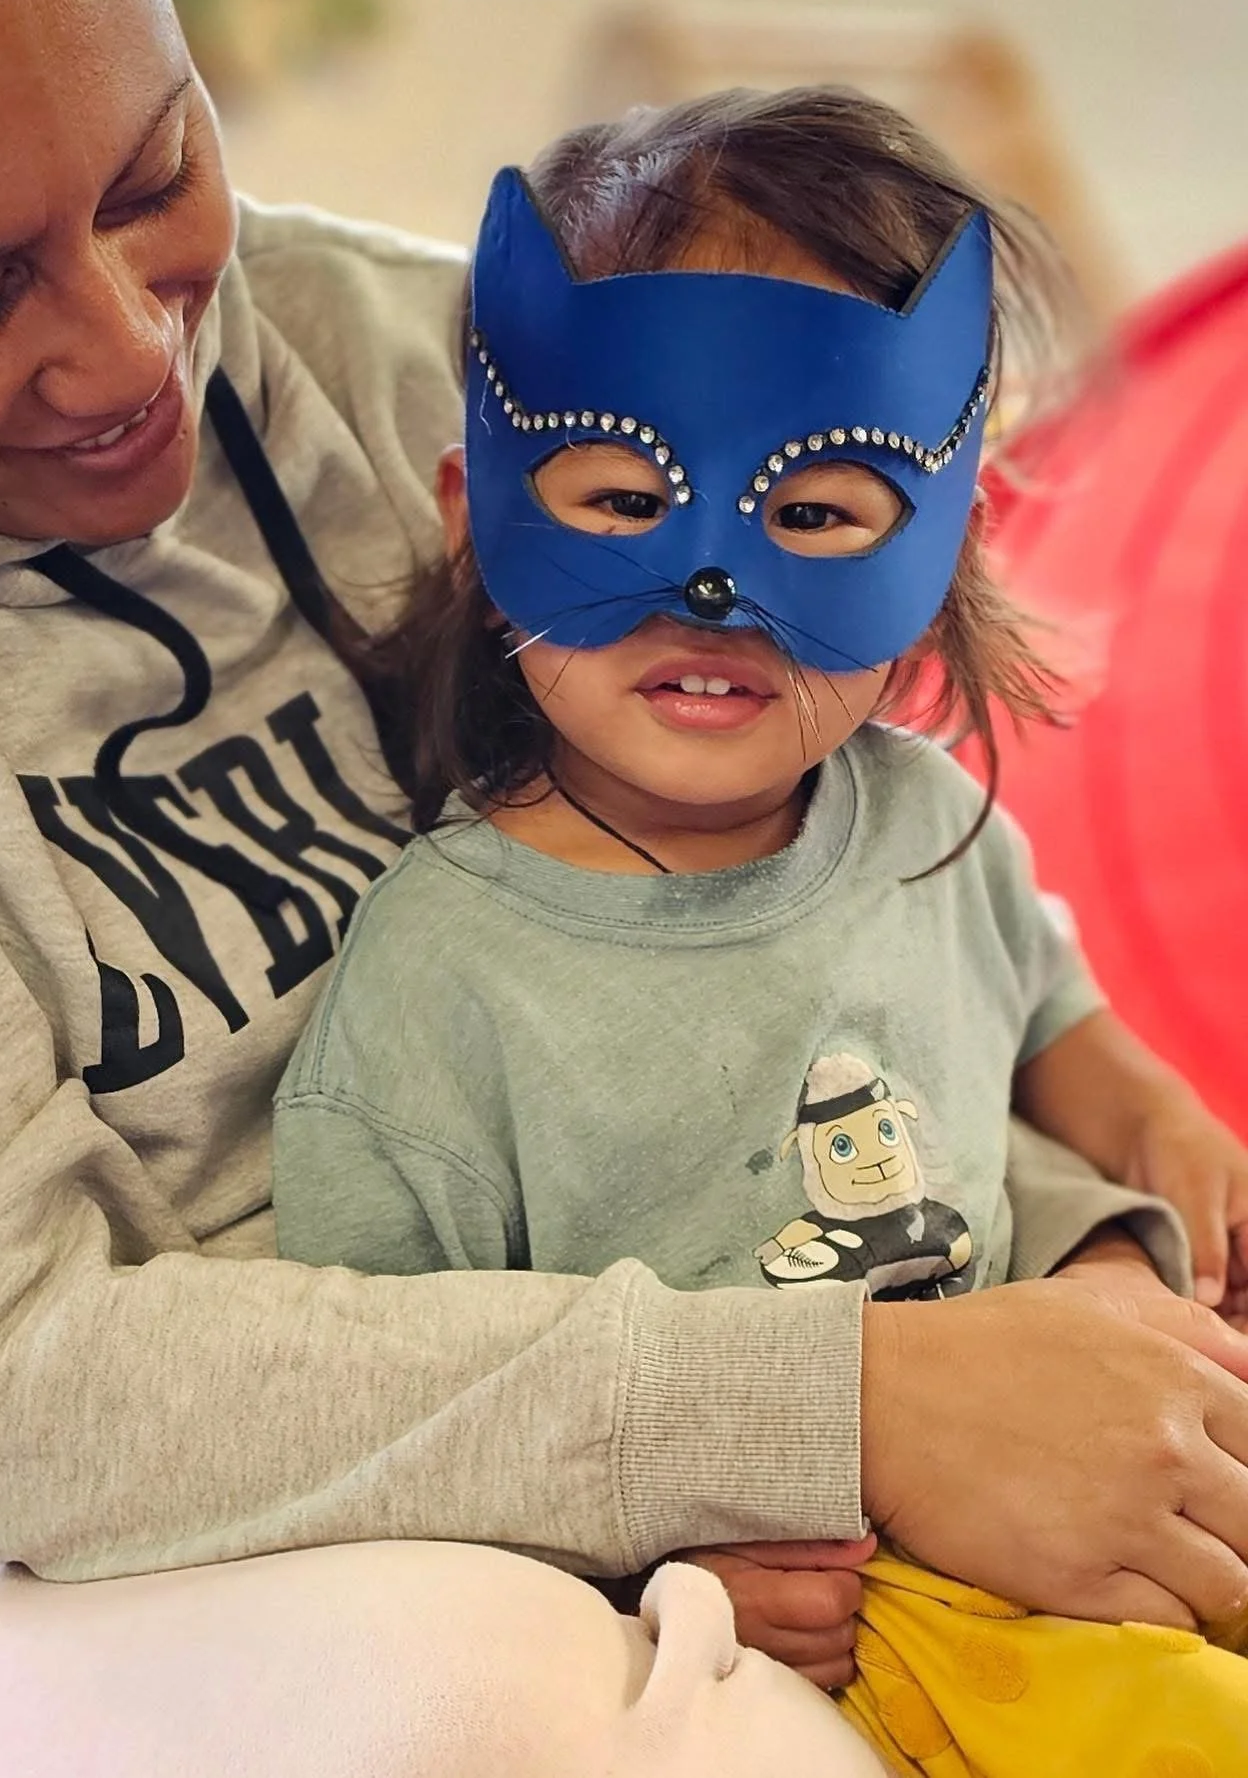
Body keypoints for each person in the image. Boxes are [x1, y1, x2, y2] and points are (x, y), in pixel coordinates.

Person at [0, 0, 1246, 1773]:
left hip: (782, 1374)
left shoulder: (442, 347)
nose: (123, 352)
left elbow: (869, 937)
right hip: (37, 1551)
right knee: (476, 1692)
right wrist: (822, 1416)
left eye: (154, 177)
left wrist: (1101, 1257)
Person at [271, 91, 1248, 1772]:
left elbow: (1034, 1012)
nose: (708, 584)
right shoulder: (440, 984)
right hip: (855, 1624)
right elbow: (393, 1407)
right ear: (471, 514)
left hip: (1086, 1473)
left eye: (812, 512)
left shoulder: (929, 822)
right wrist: (650, 1564)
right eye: (616, 496)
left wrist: (1141, 1160)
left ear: (938, 551)